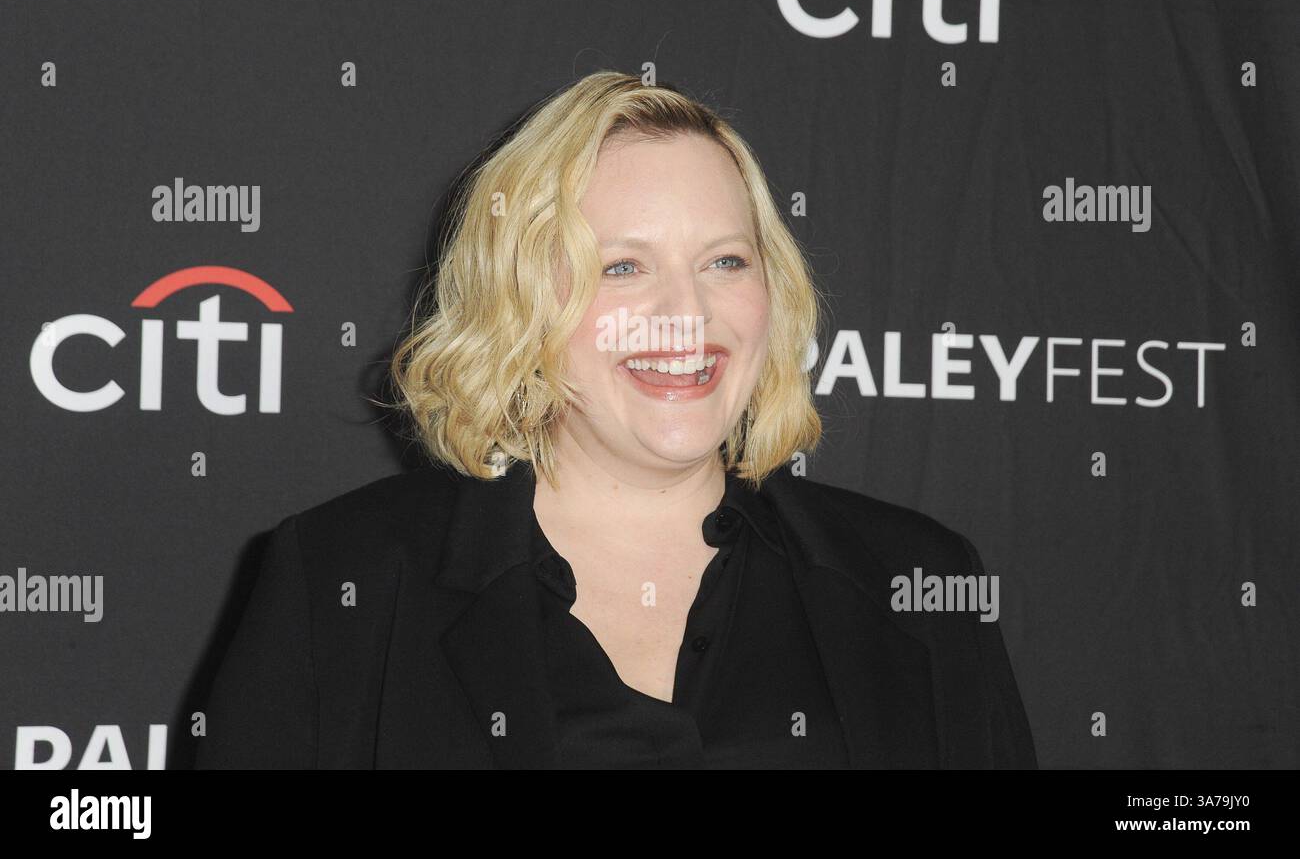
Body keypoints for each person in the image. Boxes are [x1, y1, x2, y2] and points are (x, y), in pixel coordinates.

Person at [195, 71, 1036, 769]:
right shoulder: (340, 582)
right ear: (521, 300)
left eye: (725, 261)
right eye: (624, 267)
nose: (685, 312)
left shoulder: (917, 586)